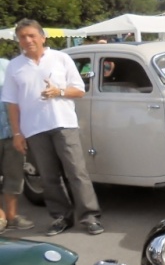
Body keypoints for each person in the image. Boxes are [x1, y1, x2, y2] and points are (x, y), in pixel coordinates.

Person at [2, 19, 103, 236]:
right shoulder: (14, 66)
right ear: (18, 41)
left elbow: (80, 90)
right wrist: (17, 133)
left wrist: (59, 92)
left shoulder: (61, 58)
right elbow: (11, 103)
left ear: (42, 36)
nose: (28, 40)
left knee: (77, 172)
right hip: (34, 129)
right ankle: (60, 217)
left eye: (31, 35)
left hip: (63, 123)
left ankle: (89, 217)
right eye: (22, 37)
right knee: (48, 177)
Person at [0, 59, 34, 233]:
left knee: (14, 176)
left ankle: (12, 217)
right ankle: (0, 217)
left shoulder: (8, 65)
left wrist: (20, 132)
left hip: (12, 133)